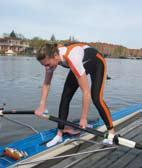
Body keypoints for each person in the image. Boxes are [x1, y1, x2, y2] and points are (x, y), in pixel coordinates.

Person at [35, 42, 115, 147]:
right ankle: (59, 134)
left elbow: (86, 92)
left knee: (96, 98)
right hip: (81, 61)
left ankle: (111, 132)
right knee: (65, 96)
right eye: (43, 65)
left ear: (55, 56)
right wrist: (42, 105)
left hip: (96, 61)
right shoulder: (51, 57)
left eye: (47, 65)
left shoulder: (72, 58)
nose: (46, 68)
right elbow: (46, 84)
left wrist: (83, 117)